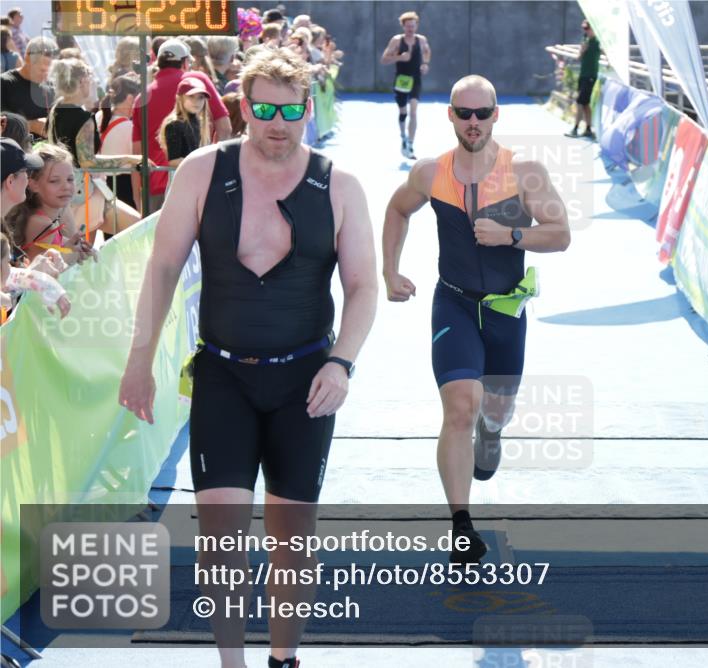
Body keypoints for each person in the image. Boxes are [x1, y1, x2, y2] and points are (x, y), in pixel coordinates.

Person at [118, 48, 378, 668]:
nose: (277, 123)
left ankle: (284, 659)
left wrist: (342, 363)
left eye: (290, 110)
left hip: (305, 380)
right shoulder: (204, 172)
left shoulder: (338, 185)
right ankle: (232, 662)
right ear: (242, 108)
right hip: (224, 375)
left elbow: (364, 286)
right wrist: (139, 361)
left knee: (292, 542)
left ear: (309, 110)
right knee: (221, 541)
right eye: (264, 109)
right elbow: (162, 268)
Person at [382, 75, 571, 563]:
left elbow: (560, 234)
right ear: (449, 114)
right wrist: (389, 270)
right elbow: (397, 211)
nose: (472, 123)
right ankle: (461, 524)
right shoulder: (430, 172)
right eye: (463, 113)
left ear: (495, 115)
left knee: (495, 410)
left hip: (506, 309)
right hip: (454, 303)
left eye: (481, 114)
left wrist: (511, 237)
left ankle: (494, 430)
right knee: (459, 407)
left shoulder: (524, 172)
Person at [131, 38, 232, 214]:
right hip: (194, 185)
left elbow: (137, 154)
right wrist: (216, 170)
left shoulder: (141, 98)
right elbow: (225, 128)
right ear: (185, 63)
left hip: (155, 189)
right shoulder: (196, 80)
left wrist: (137, 198)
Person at [48, 57, 142, 235]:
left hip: (70, 191)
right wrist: (130, 159)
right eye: (91, 79)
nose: (94, 84)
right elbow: (88, 162)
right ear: (83, 82)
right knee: (137, 226)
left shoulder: (57, 109)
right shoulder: (83, 118)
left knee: (82, 254)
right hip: (82, 194)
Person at [4, 142, 97, 265]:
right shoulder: (40, 223)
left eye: (70, 179)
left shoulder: (48, 219)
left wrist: (76, 247)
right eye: (54, 181)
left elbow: (63, 246)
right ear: (33, 184)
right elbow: (48, 267)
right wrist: (74, 252)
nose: (66, 187)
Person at [380, 10, 431, 160]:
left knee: (414, 111)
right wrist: (399, 57)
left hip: (416, 79)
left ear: (416, 26)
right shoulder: (397, 40)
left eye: (413, 26)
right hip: (401, 79)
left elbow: (427, 52)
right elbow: (384, 59)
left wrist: (425, 64)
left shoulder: (421, 40)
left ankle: (410, 143)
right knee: (404, 112)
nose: (411, 29)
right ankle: (403, 137)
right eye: (408, 26)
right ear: (403, 26)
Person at [97, 73, 143, 209]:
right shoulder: (129, 127)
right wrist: (138, 200)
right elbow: (135, 165)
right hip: (125, 187)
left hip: (104, 185)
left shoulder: (100, 116)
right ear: (130, 99)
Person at [0, 36, 57, 139]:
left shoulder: (51, 86)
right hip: (15, 151)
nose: (45, 75)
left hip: (45, 150)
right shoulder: (5, 83)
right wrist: (32, 125)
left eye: (49, 71)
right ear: (27, 58)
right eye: (42, 70)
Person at [158, 75, 213, 166]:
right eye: (191, 96)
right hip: (183, 177)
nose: (196, 101)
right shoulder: (174, 124)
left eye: (201, 97)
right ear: (180, 98)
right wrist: (202, 163)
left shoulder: (199, 122)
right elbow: (174, 161)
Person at [565, 20, 600, 139]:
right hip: (583, 75)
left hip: (590, 75)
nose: (585, 31)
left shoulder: (597, 42)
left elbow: (605, 51)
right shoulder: (585, 41)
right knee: (585, 103)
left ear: (593, 29)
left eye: (587, 28)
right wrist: (582, 50)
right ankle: (588, 129)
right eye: (584, 29)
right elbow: (579, 57)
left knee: (579, 102)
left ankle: (575, 128)